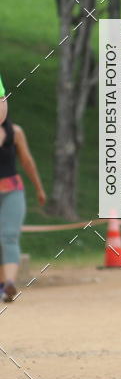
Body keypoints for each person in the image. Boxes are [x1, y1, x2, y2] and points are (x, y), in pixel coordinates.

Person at [0, 111, 46, 302]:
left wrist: (39, 188)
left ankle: (9, 282)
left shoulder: (15, 132)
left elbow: (27, 161)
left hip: (12, 190)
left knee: (9, 236)